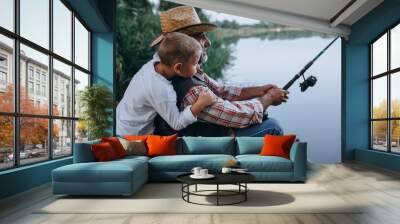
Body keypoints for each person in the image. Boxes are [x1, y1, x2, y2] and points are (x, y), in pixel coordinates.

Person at [150, 6, 288, 137]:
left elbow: (220, 90)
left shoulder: (185, 71)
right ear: (185, 42)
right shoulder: (191, 89)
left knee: (265, 120)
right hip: (205, 144)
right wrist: (268, 99)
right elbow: (239, 116)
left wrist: (261, 91)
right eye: (201, 36)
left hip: (208, 133)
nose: (208, 42)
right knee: (273, 126)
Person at [116, 32, 216, 135]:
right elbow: (177, 123)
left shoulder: (155, 63)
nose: (197, 68)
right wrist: (200, 104)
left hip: (121, 119)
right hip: (130, 136)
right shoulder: (160, 89)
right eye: (195, 64)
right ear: (178, 68)